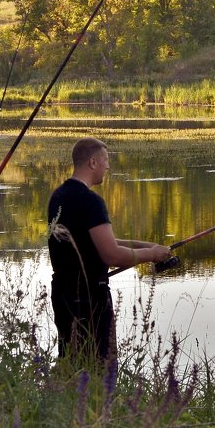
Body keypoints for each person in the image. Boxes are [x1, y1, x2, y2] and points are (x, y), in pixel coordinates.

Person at [47, 137, 172, 361]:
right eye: (106, 160)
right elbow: (111, 254)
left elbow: (98, 241)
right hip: (90, 299)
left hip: (64, 295)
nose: (108, 166)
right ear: (93, 163)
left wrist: (148, 246)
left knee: (71, 363)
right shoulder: (91, 201)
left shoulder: (58, 197)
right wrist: (152, 255)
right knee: (100, 369)